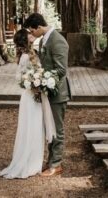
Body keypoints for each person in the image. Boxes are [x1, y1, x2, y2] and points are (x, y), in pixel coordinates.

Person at [0, 28, 55, 179]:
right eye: (29, 34)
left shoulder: (33, 53)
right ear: (25, 39)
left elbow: (37, 71)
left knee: (36, 128)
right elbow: (19, 78)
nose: (32, 35)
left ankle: (35, 162)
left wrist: (40, 82)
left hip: (36, 96)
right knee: (30, 128)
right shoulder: (24, 57)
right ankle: (27, 163)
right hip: (30, 97)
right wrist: (33, 84)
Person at [23, 13, 71, 177]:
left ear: (38, 27)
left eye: (31, 30)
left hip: (57, 93)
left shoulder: (57, 41)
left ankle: (56, 164)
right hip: (47, 92)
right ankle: (51, 160)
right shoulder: (44, 39)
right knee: (48, 128)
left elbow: (61, 70)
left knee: (57, 129)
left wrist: (42, 80)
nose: (31, 34)